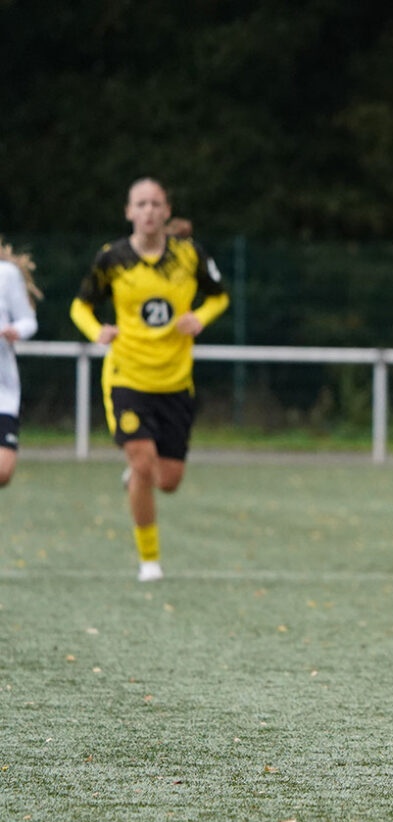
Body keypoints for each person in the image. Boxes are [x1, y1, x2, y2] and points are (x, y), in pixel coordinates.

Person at [71, 179, 229, 581]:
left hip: (175, 381)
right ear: (129, 212)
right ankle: (150, 562)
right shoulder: (112, 259)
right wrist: (97, 331)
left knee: (169, 481)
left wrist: (200, 318)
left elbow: (219, 297)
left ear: (166, 211)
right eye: (140, 204)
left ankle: (137, 475)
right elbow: (80, 307)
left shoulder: (189, 255)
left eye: (156, 203)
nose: (149, 211)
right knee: (143, 463)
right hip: (127, 376)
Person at [0, 237, 42, 488]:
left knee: (3, 471)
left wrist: (15, 330)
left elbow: (28, 321)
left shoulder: (6, 274)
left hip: (3, 390)